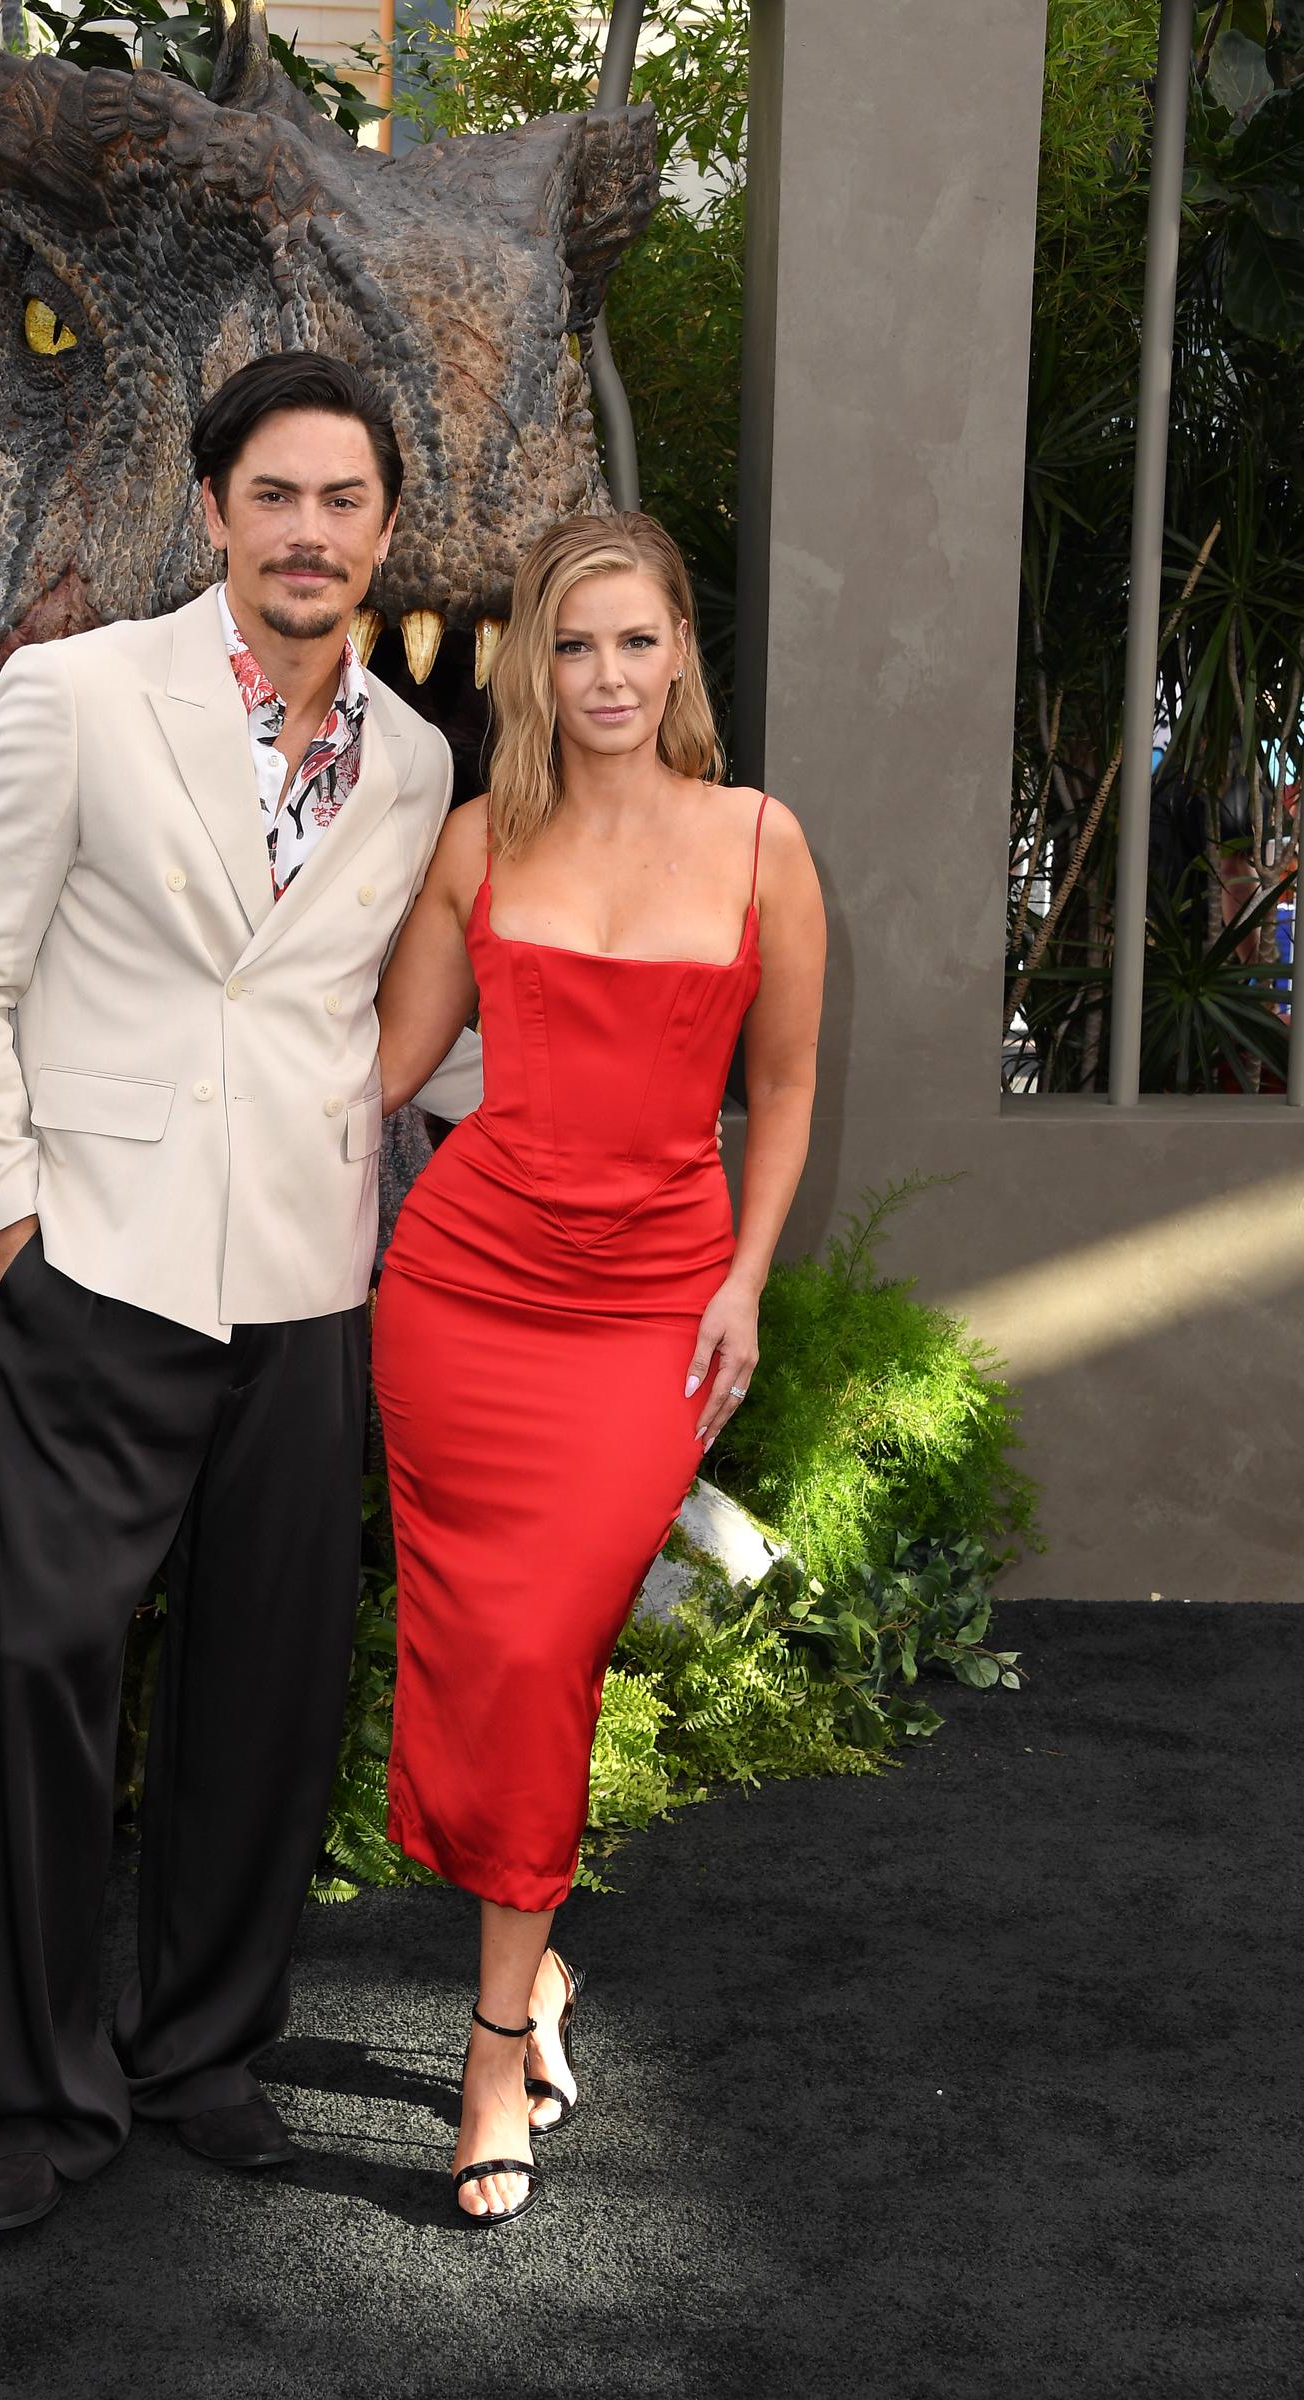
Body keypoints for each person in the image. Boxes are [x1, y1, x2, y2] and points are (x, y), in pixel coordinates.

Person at [0, 351, 479, 2236]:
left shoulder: (412, 760)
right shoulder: (74, 699)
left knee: (268, 1688)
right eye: (275, 496)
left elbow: (378, 1014)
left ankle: (201, 2046)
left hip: (309, 1280)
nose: (308, 533)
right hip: (102, 1269)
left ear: (386, 531)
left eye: (344, 503)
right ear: (214, 509)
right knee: (55, 1680)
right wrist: (15, 1233)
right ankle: (33, 2094)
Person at [371, 511, 826, 2226]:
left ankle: (496, 2031)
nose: (608, 676)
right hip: (463, 1291)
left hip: (649, 1306)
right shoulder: (481, 840)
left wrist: (746, 1282)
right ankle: (521, 2001)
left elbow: (776, 1094)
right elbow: (384, 1065)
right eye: (573, 646)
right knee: (490, 1647)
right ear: (529, 668)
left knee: (542, 1642)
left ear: (681, 651)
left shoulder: (762, 843)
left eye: (635, 642)